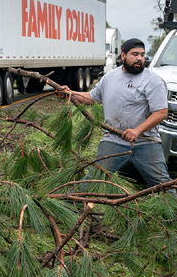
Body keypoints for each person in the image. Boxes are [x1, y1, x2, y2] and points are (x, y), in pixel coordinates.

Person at [66, 38, 171, 187]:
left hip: (146, 143)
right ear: (123, 55)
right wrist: (69, 93)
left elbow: (161, 112)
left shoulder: (153, 81)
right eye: (134, 54)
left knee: (163, 184)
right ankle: (71, 205)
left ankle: (174, 210)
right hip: (113, 140)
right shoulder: (109, 78)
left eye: (142, 54)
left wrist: (136, 131)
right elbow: (91, 98)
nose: (139, 59)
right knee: (95, 178)